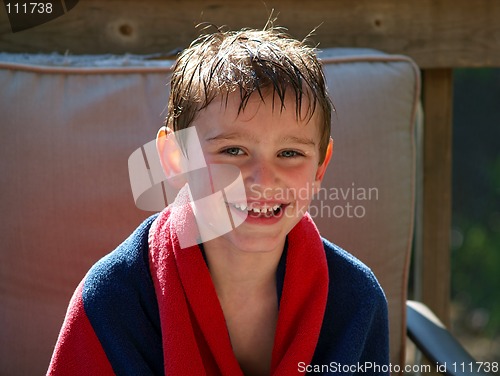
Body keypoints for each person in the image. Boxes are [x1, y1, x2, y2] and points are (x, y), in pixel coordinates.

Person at [48, 23, 389, 376]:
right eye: (233, 150)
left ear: (320, 168)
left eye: (289, 153)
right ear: (176, 159)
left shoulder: (355, 301)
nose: (263, 178)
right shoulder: (114, 298)